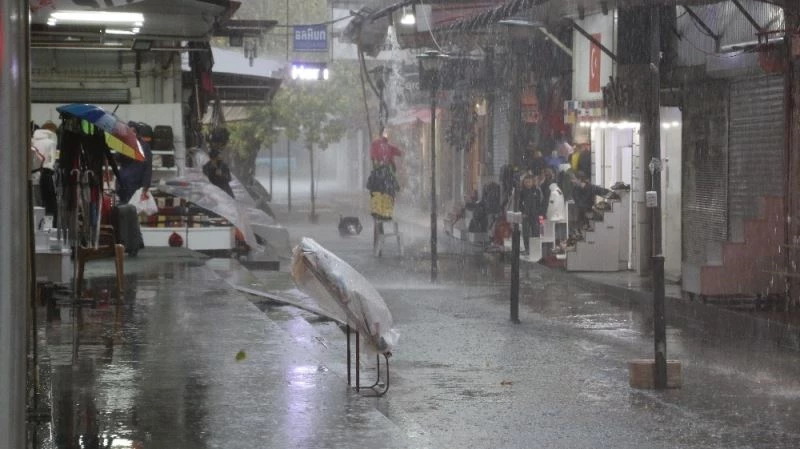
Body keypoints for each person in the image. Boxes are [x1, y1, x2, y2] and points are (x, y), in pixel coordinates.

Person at [117, 122, 153, 205]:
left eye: (134, 131)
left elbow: (148, 167)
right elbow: (118, 159)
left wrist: (145, 186)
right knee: (123, 208)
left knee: (134, 207)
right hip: (123, 183)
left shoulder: (144, 146)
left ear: (137, 133)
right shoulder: (124, 144)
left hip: (137, 184)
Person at [519, 173, 544, 254]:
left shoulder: (537, 191)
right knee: (525, 233)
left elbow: (540, 203)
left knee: (535, 233)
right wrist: (523, 212)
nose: (528, 184)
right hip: (526, 215)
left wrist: (539, 214)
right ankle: (527, 249)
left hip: (535, 215)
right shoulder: (522, 192)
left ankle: (535, 249)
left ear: (533, 182)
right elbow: (519, 204)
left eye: (529, 182)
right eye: (526, 182)